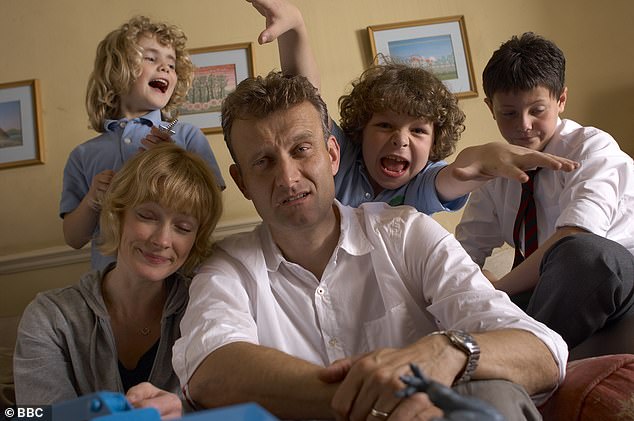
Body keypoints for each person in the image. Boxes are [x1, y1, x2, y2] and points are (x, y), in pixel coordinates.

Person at [172, 71, 568, 420]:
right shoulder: (227, 266)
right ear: (242, 182)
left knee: (492, 392)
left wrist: (451, 351)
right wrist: (382, 398)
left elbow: (542, 350)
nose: (288, 178)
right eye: (264, 161)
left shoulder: (406, 233)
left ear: (331, 155)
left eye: (301, 150)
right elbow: (211, 368)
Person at [250, 0, 579, 215]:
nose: (400, 139)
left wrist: (484, 158)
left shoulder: (422, 182)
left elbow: (455, 174)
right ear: (359, 132)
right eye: (384, 126)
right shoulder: (342, 160)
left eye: (418, 130)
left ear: (434, 145)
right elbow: (304, 101)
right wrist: (297, 27)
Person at [14, 143, 223, 419]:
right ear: (118, 215)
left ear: (195, 238)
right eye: (147, 216)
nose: (161, 240)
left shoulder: (207, 309)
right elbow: (37, 416)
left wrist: (183, 413)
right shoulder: (49, 318)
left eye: (183, 227)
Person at [455, 32, 634, 349]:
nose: (523, 125)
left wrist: (501, 290)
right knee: (451, 290)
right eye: (508, 113)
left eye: (537, 110)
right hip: (551, 292)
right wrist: (473, 284)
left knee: (585, 253)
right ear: (490, 107)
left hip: (616, 281)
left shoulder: (593, 147)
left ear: (561, 100)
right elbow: (463, 252)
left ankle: (523, 356)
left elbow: (577, 236)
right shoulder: (498, 167)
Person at [61, 15, 225, 271]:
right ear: (116, 69)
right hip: (112, 288)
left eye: (172, 65)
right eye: (151, 58)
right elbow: (73, 238)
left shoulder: (187, 137)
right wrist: (93, 198)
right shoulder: (83, 155)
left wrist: (171, 161)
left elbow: (209, 207)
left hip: (179, 279)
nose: (165, 69)